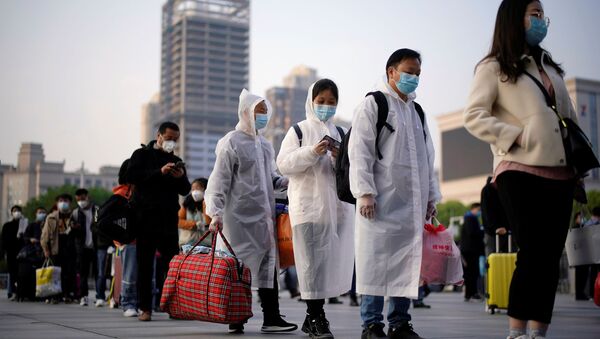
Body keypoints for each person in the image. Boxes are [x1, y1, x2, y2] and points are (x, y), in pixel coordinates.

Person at [463, 1, 579, 337]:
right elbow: (474, 115)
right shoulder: (493, 66)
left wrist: (579, 166)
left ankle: (538, 332)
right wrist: (516, 136)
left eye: (543, 14)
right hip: (518, 168)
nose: (541, 20)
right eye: (534, 13)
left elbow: (568, 118)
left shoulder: (551, 67)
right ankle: (516, 331)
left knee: (550, 257)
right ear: (515, 18)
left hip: (561, 171)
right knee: (531, 252)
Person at [348, 48, 440, 339]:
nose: (413, 78)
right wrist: (364, 192)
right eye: (409, 71)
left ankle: (400, 323)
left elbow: (428, 157)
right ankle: (371, 325)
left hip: (410, 204)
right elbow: (359, 151)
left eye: (417, 74)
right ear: (391, 71)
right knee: (374, 261)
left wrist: (430, 197)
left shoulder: (417, 111)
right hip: (379, 200)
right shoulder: (373, 104)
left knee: (405, 262)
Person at [205, 88, 297, 334]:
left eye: (266, 111)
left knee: (269, 265)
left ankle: (272, 317)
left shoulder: (265, 145)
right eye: (259, 111)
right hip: (237, 220)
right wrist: (215, 212)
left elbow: (272, 178)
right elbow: (219, 181)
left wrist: (289, 179)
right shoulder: (230, 142)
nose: (264, 116)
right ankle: (236, 317)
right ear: (245, 112)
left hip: (263, 218)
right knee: (238, 268)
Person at [277, 78, 355, 338]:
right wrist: (312, 151)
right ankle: (316, 316)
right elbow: (284, 165)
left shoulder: (342, 133)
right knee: (310, 265)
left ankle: (313, 317)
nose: (326, 106)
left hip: (336, 210)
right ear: (311, 101)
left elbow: (350, 170)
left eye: (331, 102)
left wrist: (337, 157)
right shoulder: (298, 131)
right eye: (321, 101)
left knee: (328, 265)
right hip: (308, 208)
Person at [126, 121, 191, 321]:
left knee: (171, 266)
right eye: (169, 138)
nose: (172, 143)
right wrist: (158, 172)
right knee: (145, 265)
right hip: (145, 218)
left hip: (168, 220)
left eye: (175, 140)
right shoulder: (141, 155)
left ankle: (172, 306)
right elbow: (131, 176)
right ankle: (145, 308)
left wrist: (180, 177)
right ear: (159, 136)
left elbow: (185, 190)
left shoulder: (176, 160)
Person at [73, 188, 111, 307]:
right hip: (82, 248)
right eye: (79, 198)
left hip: (98, 246)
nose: (81, 200)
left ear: (87, 197)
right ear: (76, 199)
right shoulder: (75, 213)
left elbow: (105, 226)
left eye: (83, 197)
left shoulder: (97, 210)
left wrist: (109, 243)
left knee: (99, 272)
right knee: (83, 273)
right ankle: (84, 297)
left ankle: (100, 296)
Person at [41, 194, 79, 303]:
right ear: (57, 203)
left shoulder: (74, 216)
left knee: (69, 273)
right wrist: (46, 250)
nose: (63, 203)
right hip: (55, 248)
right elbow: (44, 236)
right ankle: (55, 296)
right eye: (61, 200)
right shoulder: (51, 217)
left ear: (70, 203)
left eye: (66, 201)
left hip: (70, 248)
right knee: (55, 273)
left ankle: (67, 295)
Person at [17, 207, 46, 301]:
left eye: (43, 212)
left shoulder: (47, 224)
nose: (41, 214)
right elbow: (25, 237)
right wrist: (30, 239)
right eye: (39, 212)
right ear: (36, 214)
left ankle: (39, 294)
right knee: (28, 274)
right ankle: (26, 294)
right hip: (32, 254)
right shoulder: (32, 225)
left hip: (43, 253)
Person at [480, 177, 512, 255]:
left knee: (510, 255)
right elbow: (487, 211)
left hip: (507, 231)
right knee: (493, 257)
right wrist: (496, 227)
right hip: (493, 232)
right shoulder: (487, 190)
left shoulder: (503, 189)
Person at [1, 205, 27, 300]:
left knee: (22, 273)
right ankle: (13, 292)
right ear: (11, 213)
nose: (17, 212)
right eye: (15, 211)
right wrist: (3, 253)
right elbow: (3, 240)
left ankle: (21, 293)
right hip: (11, 253)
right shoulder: (7, 226)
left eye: (19, 210)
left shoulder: (24, 225)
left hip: (23, 253)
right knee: (12, 273)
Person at [460, 203, 485, 302]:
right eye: (478, 210)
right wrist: (482, 231)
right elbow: (472, 233)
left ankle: (470, 293)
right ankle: (472, 293)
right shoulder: (470, 218)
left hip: (468, 250)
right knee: (472, 273)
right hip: (470, 250)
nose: (479, 212)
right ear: (474, 209)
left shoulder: (467, 218)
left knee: (470, 273)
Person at [178, 177, 210, 247]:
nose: (195, 192)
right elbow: (178, 221)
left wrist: (205, 203)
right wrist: (194, 224)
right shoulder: (187, 203)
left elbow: (209, 222)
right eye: (193, 189)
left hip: (206, 243)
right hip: (186, 242)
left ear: (206, 189)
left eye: (198, 188)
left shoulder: (209, 204)